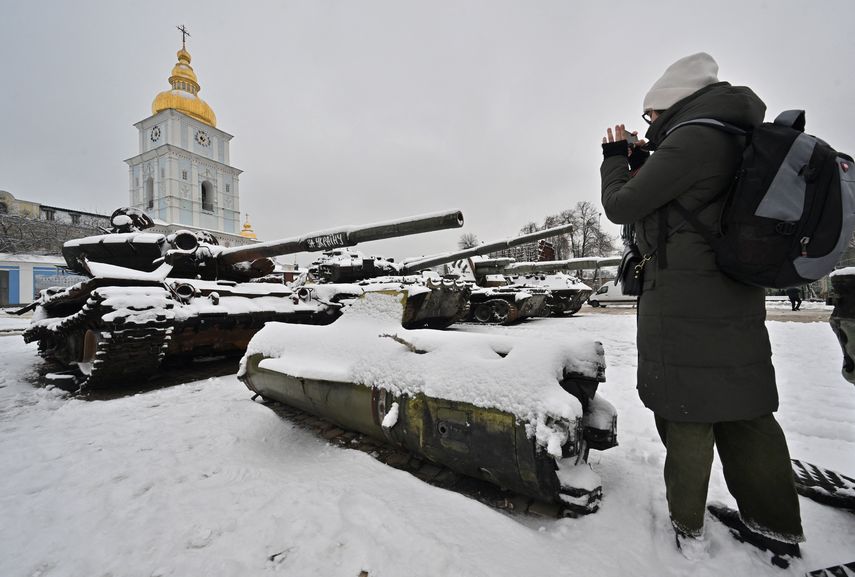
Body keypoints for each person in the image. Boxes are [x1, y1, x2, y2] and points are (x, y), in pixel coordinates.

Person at [599, 52, 804, 565]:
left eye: (651, 115)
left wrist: (614, 159)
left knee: (686, 408)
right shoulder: (735, 134)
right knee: (747, 408)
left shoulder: (692, 138)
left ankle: (686, 526)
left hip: (684, 300)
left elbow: (622, 206)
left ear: (671, 102)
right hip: (733, 291)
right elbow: (688, 202)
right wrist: (653, 162)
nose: (649, 124)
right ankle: (776, 524)